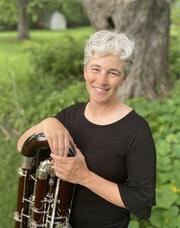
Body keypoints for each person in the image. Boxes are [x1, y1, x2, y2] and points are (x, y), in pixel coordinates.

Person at [17, 30, 156, 228]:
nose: (101, 80)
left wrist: (84, 176)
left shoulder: (136, 130)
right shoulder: (70, 115)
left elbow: (141, 201)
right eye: (95, 69)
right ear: (85, 71)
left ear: (124, 78)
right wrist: (47, 123)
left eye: (113, 72)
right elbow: (22, 145)